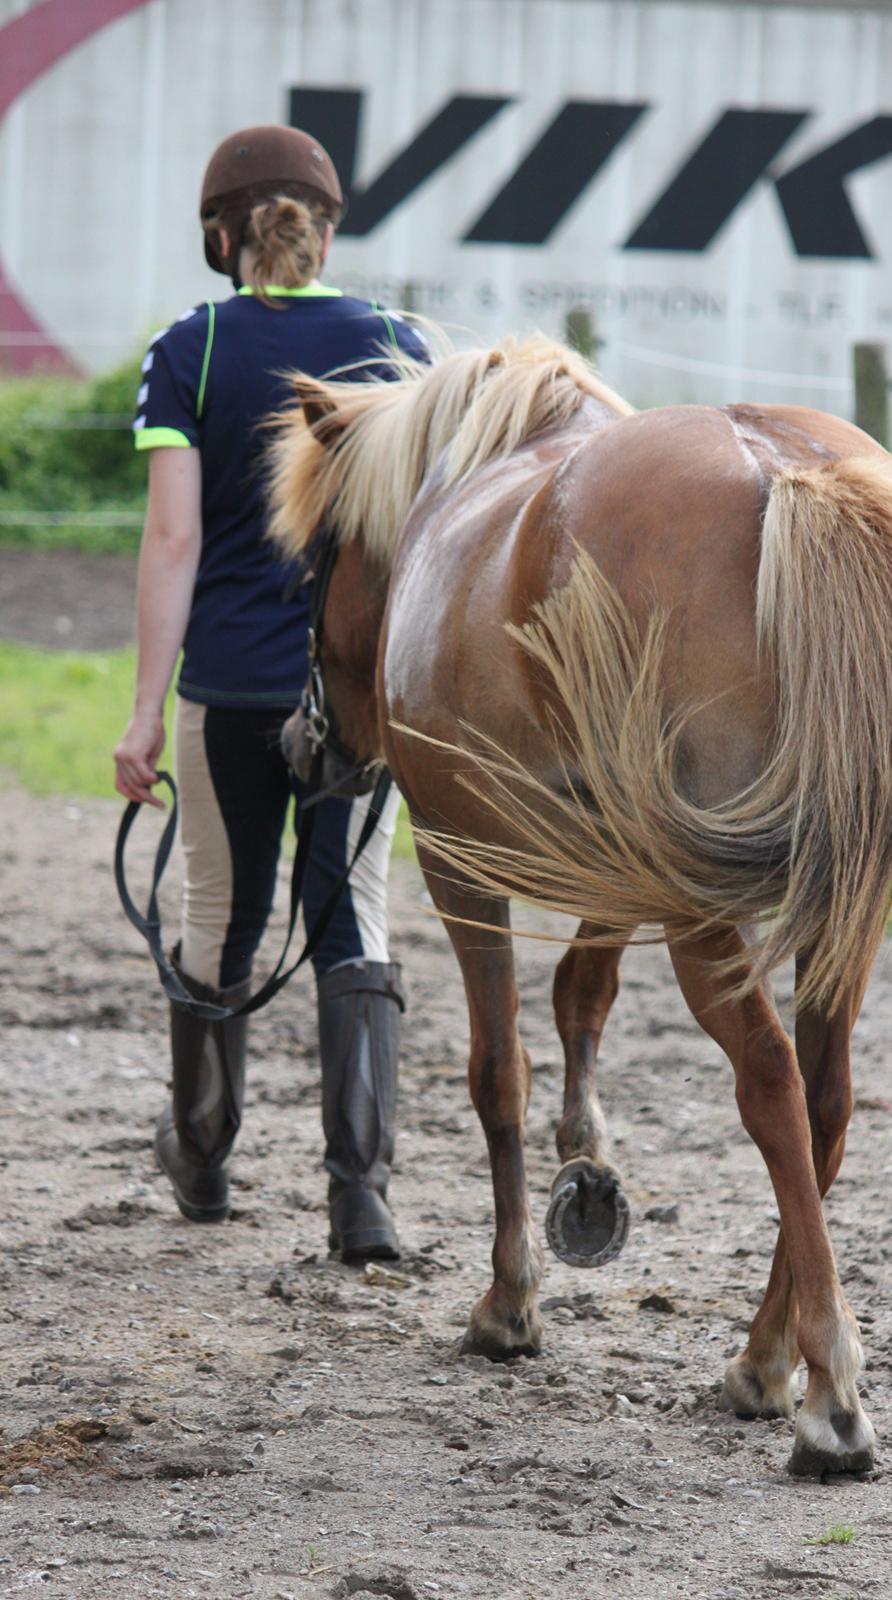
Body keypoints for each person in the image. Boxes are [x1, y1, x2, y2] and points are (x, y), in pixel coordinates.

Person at [113, 124, 426, 1262]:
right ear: (323, 232)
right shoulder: (397, 344)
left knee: (221, 918)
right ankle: (362, 1199)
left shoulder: (189, 348)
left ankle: (202, 1157)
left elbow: (173, 539)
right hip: (356, 697)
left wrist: (145, 713)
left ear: (223, 237)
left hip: (232, 690)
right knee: (353, 919)